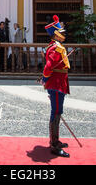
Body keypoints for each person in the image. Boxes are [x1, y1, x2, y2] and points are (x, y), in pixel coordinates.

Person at [41, 15, 70, 158]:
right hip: (56, 83)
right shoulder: (55, 48)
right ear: (56, 34)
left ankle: (55, 140)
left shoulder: (57, 47)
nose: (64, 34)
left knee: (57, 111)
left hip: (59, 82)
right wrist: (45, 79)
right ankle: (54, 144)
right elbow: (48, 67)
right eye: (61, 32)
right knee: (56, 112)